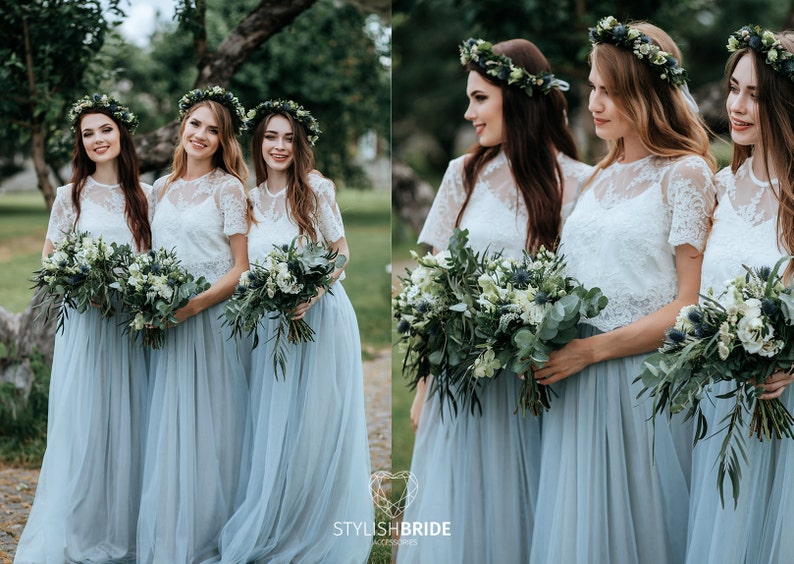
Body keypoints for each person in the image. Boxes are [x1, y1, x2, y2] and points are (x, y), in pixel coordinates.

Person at [396, 38, 592, 563]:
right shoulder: (463, 174)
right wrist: (424, 387)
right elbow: (434, 289)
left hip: (534, 383)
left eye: (480, 98)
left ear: (518, 98)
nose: (469, 112)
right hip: (461, 383)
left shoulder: (579, 183)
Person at [529, 17, 717, 564]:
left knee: (645, 528)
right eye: (592, 86)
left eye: (610, 90)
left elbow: (691, 303)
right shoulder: (597, 177)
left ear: (646, 93)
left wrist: (594, 350)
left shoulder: (684, 175)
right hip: (575, 378)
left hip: (641, 381)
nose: (595, 101)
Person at [216, 99, 373, 563]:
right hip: (270, 324)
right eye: (271, 137)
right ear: (258, 142)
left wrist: (313, 291)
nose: (279, 146)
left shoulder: (316, 189)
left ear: (299, 143)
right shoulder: (247, 198)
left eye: (288, 138)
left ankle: (315, 522)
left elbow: (341, 253)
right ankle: (275, 515)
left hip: (319, 317)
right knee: (272, 422)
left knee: (314, 422)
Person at [15, 94, 152, 563]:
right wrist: (84, 285)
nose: (97, 139)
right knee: (85, 423)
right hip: (88, 328)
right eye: (88, 133)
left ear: (122, 135)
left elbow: (158, 260)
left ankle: (129, 527)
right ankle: (79, 526)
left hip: (132, 330)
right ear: (81, 143)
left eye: (105, 130)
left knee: (133, 422)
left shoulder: (147, 196)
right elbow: (51, 259)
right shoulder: (69, 195)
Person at [685, 25, 794, 563]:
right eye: (733, 88)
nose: (738, 105)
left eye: (756, 94)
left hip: (783, 398)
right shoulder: (720, 188)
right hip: (722, 403)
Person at [135, 86, 251, 564]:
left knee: (216, 428)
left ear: (224, 140)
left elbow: (240, 266)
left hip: (212, 321)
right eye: (196, 124)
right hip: (167, 322)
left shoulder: (228, 188)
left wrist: (193, 307)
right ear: (182, 125)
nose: (201, 135)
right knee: (171, 424)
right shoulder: (160, 188)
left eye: (213, 129)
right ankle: (171, 529)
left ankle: (212, 532)